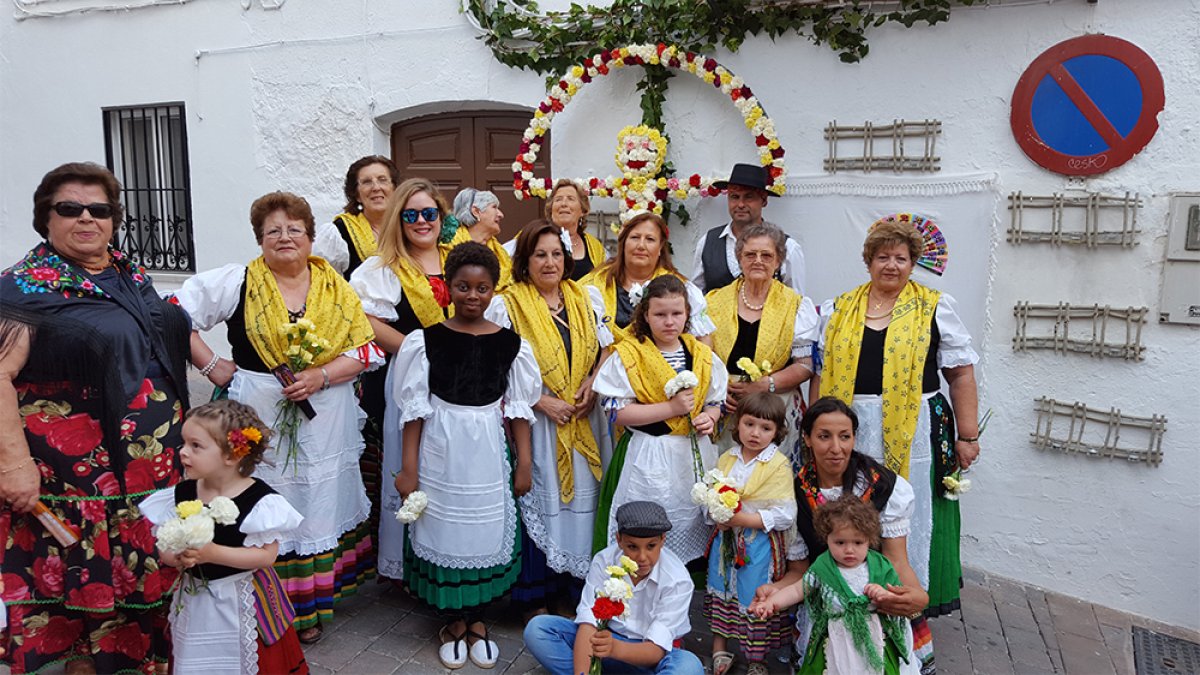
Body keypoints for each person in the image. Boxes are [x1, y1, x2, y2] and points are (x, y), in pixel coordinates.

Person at [0, 162, 191, 675]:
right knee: (84, 574)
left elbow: (164, 333)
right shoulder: (22, 289)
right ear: (45, 218)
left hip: (151, 470)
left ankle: (140, 661)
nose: (86, 218)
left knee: (143, 571)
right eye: (70, 208)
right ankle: (84, 662)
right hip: (76, 477)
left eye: (99, 209)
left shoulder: (127, 273)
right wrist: (12, 466)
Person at [176, 191, 381, 645]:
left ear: (310, 237)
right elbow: (172, 314)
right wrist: (213, 366)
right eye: (273, 230)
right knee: (264, 495)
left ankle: (309, 608)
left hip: (327, 414)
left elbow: (366, 350)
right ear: (259, 239)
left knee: (318, 502)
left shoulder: (336, 287)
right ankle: (262, 605)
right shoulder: (239, 282)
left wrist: (321, 375)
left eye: (294, 229)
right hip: (259, 411)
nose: (285, 237)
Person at [815, 215, 981, 622]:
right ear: (868, 261)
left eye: (901, 258)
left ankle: (905, 599)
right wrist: (816, 429)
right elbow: (821, 371)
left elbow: (961, 374)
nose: (891, 265)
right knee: (849, 503)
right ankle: (847, 593)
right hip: (850, 424)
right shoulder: (839, 308)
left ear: (913, 263)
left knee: (908, 507)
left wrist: (968, 436)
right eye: (883, 257)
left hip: (914, 425)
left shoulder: (935, 307)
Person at [391, 242, 541, 670]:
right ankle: (452, 621)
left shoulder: (511, 345)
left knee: (483, 530)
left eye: (482, 288)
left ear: (494, 290)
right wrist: (408, 468)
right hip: (442, 445)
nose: (472, 296)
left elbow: (518, 410)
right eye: (463, 287)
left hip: (488, 449)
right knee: (443, 528)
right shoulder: (426, 342)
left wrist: (524, 463)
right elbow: (414, 411)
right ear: (448, 288)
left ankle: (477, 619)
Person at [484, 220, 612, 615]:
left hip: (584, 418)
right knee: (542, 497)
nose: (550, 262)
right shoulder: (507, 305)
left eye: (556, 253)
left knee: (586, 503)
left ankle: (578, 590)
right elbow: (494, 367)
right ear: (524, 260)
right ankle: (536, 593)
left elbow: (609, 349)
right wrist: (541, 401)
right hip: (538, 422)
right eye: (540, 254)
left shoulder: (586, 298)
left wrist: (593, 382)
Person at [754, 397, 928, 674]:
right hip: (830, 609)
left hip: (876, 608)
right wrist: (774, 592)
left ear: (854, 438)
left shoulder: (883, 487)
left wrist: (917, 597)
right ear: (807, 438)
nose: (836, 448)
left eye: (844, 436)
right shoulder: (794, 494)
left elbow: (896, 561)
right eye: (824, 436)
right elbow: (801, 572)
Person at [349, 177, 466, 582]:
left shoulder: (458, 259)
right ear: (398, 220)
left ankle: (455, 556)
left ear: (441, 217)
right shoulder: (383, 268)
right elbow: (365, 319)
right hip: (412, 380)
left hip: (463, 383)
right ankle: (413, 565)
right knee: (414, 464)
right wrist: (417, 350)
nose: (421, 221)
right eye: (411, 214)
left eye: (429, 213)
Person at [138, 400, 308, 675]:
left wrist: (212, 553)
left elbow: (266, 556)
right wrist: (177, 557)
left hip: (243, 598)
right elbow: (165, 549)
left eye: (196, 446)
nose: (183, 452)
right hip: (196, 601)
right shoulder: (181, 494)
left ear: (232, 455)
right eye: (183, 443)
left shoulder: (259, 501)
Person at [591, 275, 727, 562]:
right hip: (649, 453)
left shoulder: (701, 355)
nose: (669, 322)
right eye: (660, 314)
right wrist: (671, 408)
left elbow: (715, 400)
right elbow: (616, 412)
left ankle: (686, 580)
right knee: (648, 522)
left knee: (691, 519)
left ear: (687, 314)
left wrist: (710, 417)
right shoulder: (630, 355)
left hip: (691, 455)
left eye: (676, 313)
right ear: (645, 315)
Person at [523, 501, 704, 674]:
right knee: (537, 629)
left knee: (689, 667)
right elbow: (589, 623)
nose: (642, 557)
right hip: (605, 643)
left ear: (663, 540)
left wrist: (615, 649)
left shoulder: (677, 579)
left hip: (651, 656)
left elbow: (656, 650)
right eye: (632, 547)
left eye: (651, 546)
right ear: (619, 540)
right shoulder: (605, 561)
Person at [751, 496, 910, 675]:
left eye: (858, 542)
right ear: (827, 538)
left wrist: (884, 595)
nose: (849, 550)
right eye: (840, 542)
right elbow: (797, 590)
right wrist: (772, 603)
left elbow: (898, 596)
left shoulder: (880, 566)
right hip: (836, 639)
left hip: (874, 639)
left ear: (869, 540)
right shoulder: (823, 567)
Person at [705, 222, 818, 467]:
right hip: (726, 408)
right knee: (723, 479)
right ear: (739, 259)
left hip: (776, 411)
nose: (758, 261)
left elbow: (805, 366)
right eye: (750, 254)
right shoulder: (713, 302)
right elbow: (701, 357)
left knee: (771, 478)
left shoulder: (797, 305)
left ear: (778, 261)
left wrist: (766, 385)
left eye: (766, 255)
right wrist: (718, 389)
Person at [703, 393, 797, 675]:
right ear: (738, 424)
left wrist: (743, 519)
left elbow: (785, 513)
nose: (756, 433)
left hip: (757, 545)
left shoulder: (778, 465)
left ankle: (757, 659)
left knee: (752, 593)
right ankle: (719, 648)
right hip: (726, 540)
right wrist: (716, 515)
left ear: (777, 431)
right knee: (723, 588)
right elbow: (711, 494)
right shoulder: (727, 459)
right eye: (749, 424)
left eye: (765, 428)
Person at [581, 211, 715, 344]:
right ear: (623, 243)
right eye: (635, 237)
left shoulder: (681, 289)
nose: (641, 246)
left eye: (650, 239)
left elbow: (703, 340)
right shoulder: (595, 284)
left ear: (660, 246)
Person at [692, 163, 806, 295]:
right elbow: (696, 298)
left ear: (764, 200)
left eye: (749, 197)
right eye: (734, 197)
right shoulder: (708, 242)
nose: (740, 204)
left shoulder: (787, 247)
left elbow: (796, 301)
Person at [314, 155, 401, 279]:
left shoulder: (410, 225)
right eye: (367, 182)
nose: (376, 187)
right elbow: (323, 281)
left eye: (382, 180)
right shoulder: (339, 232)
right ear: (357, 195)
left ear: (394, 188)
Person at [506, 179, 606, 282]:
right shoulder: (533, 235)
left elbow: (603, 282)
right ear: (551, 209)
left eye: (570, 199)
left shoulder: (595, 246)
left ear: (583, 210)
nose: (564, 204)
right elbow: (507, 269)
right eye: (558, 199)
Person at [453, 187, 513, 290]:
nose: (501, 215)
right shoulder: (449, 245)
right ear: (476, 211)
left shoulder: (499, 251)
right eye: (494, 207)